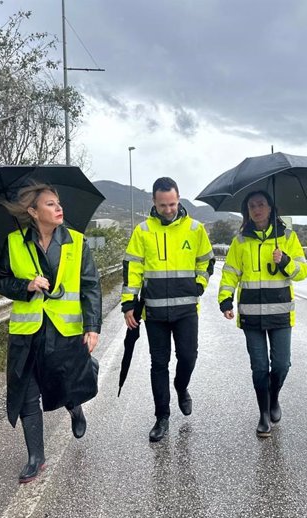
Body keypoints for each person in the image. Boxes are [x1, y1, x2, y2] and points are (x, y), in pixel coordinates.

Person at [0, 183, 102, 483]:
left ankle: (75, 408)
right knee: (27, 392)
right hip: (27, 331)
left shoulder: (77, 242)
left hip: (64, 329)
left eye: (58, 203)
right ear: (32, 211)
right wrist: (25, 285)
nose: (58, 208)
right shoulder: (15, 242)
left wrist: (92, 327)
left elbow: (91, 287)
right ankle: (35, 457)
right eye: (51, 204)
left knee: (66, 382)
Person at [122, 177, 214, 443]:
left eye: (172, 204)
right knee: (158, 364)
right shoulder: (142, 231)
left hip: (186, 310)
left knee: (188, 357)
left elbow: (206, 263)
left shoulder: (195, 229)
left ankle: (181, 386)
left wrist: (199, 285)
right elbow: (132, 269)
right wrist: (129, 303)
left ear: (178, 199)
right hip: (155, 313)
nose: (168, 209)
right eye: (163, 205)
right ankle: (162, 417)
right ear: (154, 202)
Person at [218, 190, 307, 437]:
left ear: (270, 208)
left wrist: (285, 262)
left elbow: (302, 272)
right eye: (252, 206)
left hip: (280, 314)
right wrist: (225, 298)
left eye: (261, 204)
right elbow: (230, 273)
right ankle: (263, 414)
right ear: (247, 211)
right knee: (259, 367)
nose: (257, 209)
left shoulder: (287, 237)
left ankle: (274, 397)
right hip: (251, 315)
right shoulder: (240, 241)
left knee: (281, 365)